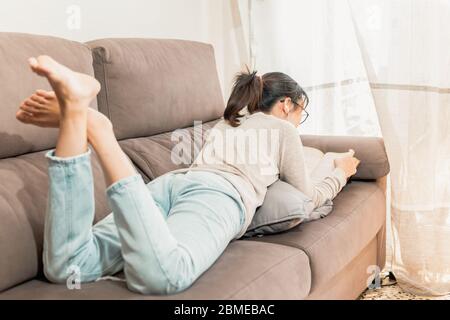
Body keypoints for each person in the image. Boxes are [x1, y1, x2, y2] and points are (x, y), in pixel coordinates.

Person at [16, 57, 360, 295]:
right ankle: (100, 130)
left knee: (67, 268)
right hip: (221, 195)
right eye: (303, 111)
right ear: (287, 104)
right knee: (165, 273)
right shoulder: (282, 131)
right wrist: (339, 174)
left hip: (172, 185)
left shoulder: (230, 122)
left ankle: (77, 117)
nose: (301, 119)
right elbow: (304, 198)